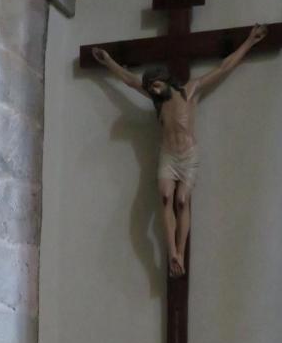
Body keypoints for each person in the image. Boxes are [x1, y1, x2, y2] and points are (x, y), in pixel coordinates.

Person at [92, 23, 268, 277]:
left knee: (182, 200)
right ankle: (172, 252)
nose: (153, 91)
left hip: (188, 155)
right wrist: (108, 61)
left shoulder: (190, 90)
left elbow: (224, 67)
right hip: (168, 155)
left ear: (165, 81)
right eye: (150, 88)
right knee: (165, 196)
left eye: (155, 85)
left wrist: (250, 41)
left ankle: (181, 252)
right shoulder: (157, 100)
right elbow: (130, 81)